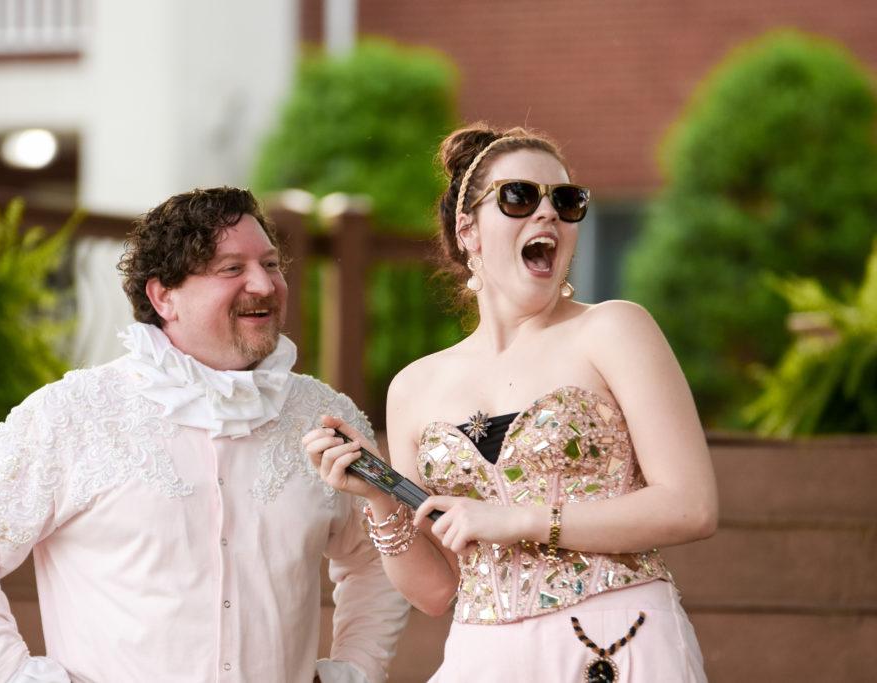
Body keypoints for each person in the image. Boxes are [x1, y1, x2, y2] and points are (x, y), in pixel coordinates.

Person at [0, 187, 409, 683]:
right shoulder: (74, 413)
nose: (263, 283)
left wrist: (354, 670)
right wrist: (14, 676)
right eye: (231, 269)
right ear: (163, 296)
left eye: (272, 264)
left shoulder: (325, 416)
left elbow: (380, 557)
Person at [304, 123, 717, 682]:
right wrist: (377, 497)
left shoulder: (614, 329)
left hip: (615, 642)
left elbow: (691, 506)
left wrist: (517, 519)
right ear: (468, 228)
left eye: (567, 202)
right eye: (519, 197)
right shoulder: (414, 388)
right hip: (483, 658)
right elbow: (435, 590)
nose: (548, 214)